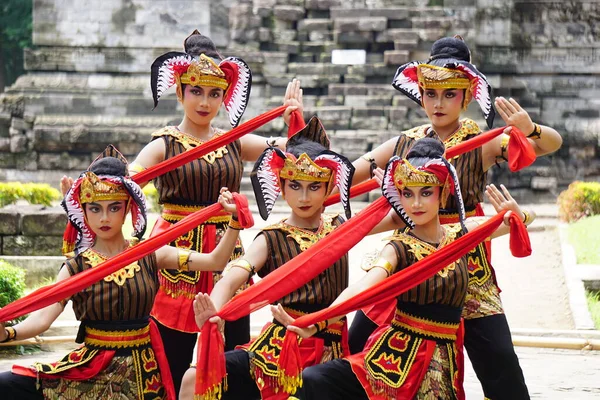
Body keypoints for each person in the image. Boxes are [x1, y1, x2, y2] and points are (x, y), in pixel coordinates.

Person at [56, 30, 303, 394]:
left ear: (224, 96)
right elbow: (127, 177)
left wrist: (292, 120)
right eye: (196, 91)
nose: (205, 101)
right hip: (175, 255)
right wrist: (85, 188)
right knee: (172, 353)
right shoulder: (164, 143)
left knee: (229, 349)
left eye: (215, 93)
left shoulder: (233, 140)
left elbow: (293, 153)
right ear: (180, 92)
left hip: (226, 251)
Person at [347, 36, 562, 399]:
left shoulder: (482, 141)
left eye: (449, 94)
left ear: (465, 96)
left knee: (499, 361)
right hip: (410, 256)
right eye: (431, 93)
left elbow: (550, 145)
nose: (438, 103)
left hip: (464, 261)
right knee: (357, 340)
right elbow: (348, 175)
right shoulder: (406, 142)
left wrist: (531, 130)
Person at [290, 138, 536, 400]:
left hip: (440, 367)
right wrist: (321, 319)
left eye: (425, 193)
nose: (416, 204)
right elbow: (365, 286)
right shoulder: (399, 248)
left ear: (442, 193)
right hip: (395, 359)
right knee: (315, 378)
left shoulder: (462, 236)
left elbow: (516, 221)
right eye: (408, 194)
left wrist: (519, 215)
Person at [0, 147, 248, 399]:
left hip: (143, 372)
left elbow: (215, 260)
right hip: (92, 368)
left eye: (114, 207)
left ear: (128, 208)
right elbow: (43, 318)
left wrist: (234, 221)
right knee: (9, 383)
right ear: (83, 211)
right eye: (95, 208)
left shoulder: (150, 253)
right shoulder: (76, 267)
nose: (104, 217)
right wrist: (9, 332)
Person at [178, 117, 355, 400]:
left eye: (313, 186)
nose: (304, 196)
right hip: (276, 346)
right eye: (295, 186)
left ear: (329, 187)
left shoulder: (342, 228)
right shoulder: (272, 237)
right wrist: (215, 308)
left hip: (326, 345)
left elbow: (392, 215)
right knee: (192, 378)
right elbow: (235, 273)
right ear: (282, 188)